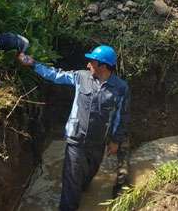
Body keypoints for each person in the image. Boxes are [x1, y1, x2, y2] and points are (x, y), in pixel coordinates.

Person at [18, 45, 130, 211]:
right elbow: (55, 75)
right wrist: (33, 63)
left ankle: (82, 189)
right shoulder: (81, 77)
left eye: (91, 61)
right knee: (71, 184)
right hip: (75, 140)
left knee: (88, 176)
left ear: (103, 65)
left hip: (98, 142)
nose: (87, 65)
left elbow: (122, 116)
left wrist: (115, 140)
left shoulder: (121, 88)